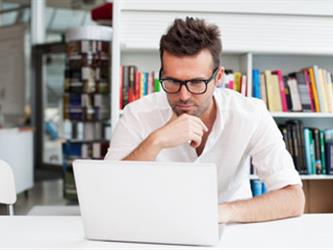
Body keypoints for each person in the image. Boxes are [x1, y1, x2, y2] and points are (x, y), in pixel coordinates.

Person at [105, 17, 305, 223]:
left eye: (197, 82)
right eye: (172, 81)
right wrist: (156, 141)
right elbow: (106, 193)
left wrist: (220, 213)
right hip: (157, 228)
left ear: (218, 78)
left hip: (233, 229)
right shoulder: (137, 115)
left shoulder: (250, 114)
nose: (183, 95)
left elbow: (293, 198)